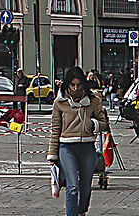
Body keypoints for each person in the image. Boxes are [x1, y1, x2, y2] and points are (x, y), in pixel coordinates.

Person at [51, 68, 106, 216]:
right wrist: (52, 155)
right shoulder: (60, 103)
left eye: (79, 85)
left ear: (84, 84)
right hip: (67, 147)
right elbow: (55, 129)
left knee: (86, 187)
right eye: (72, 85)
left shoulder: (93, 101)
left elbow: (104, 123)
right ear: (67, 85)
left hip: (87, 147)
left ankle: (81, 211)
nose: (75, 88)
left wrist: (93, 124)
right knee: (72, 185)